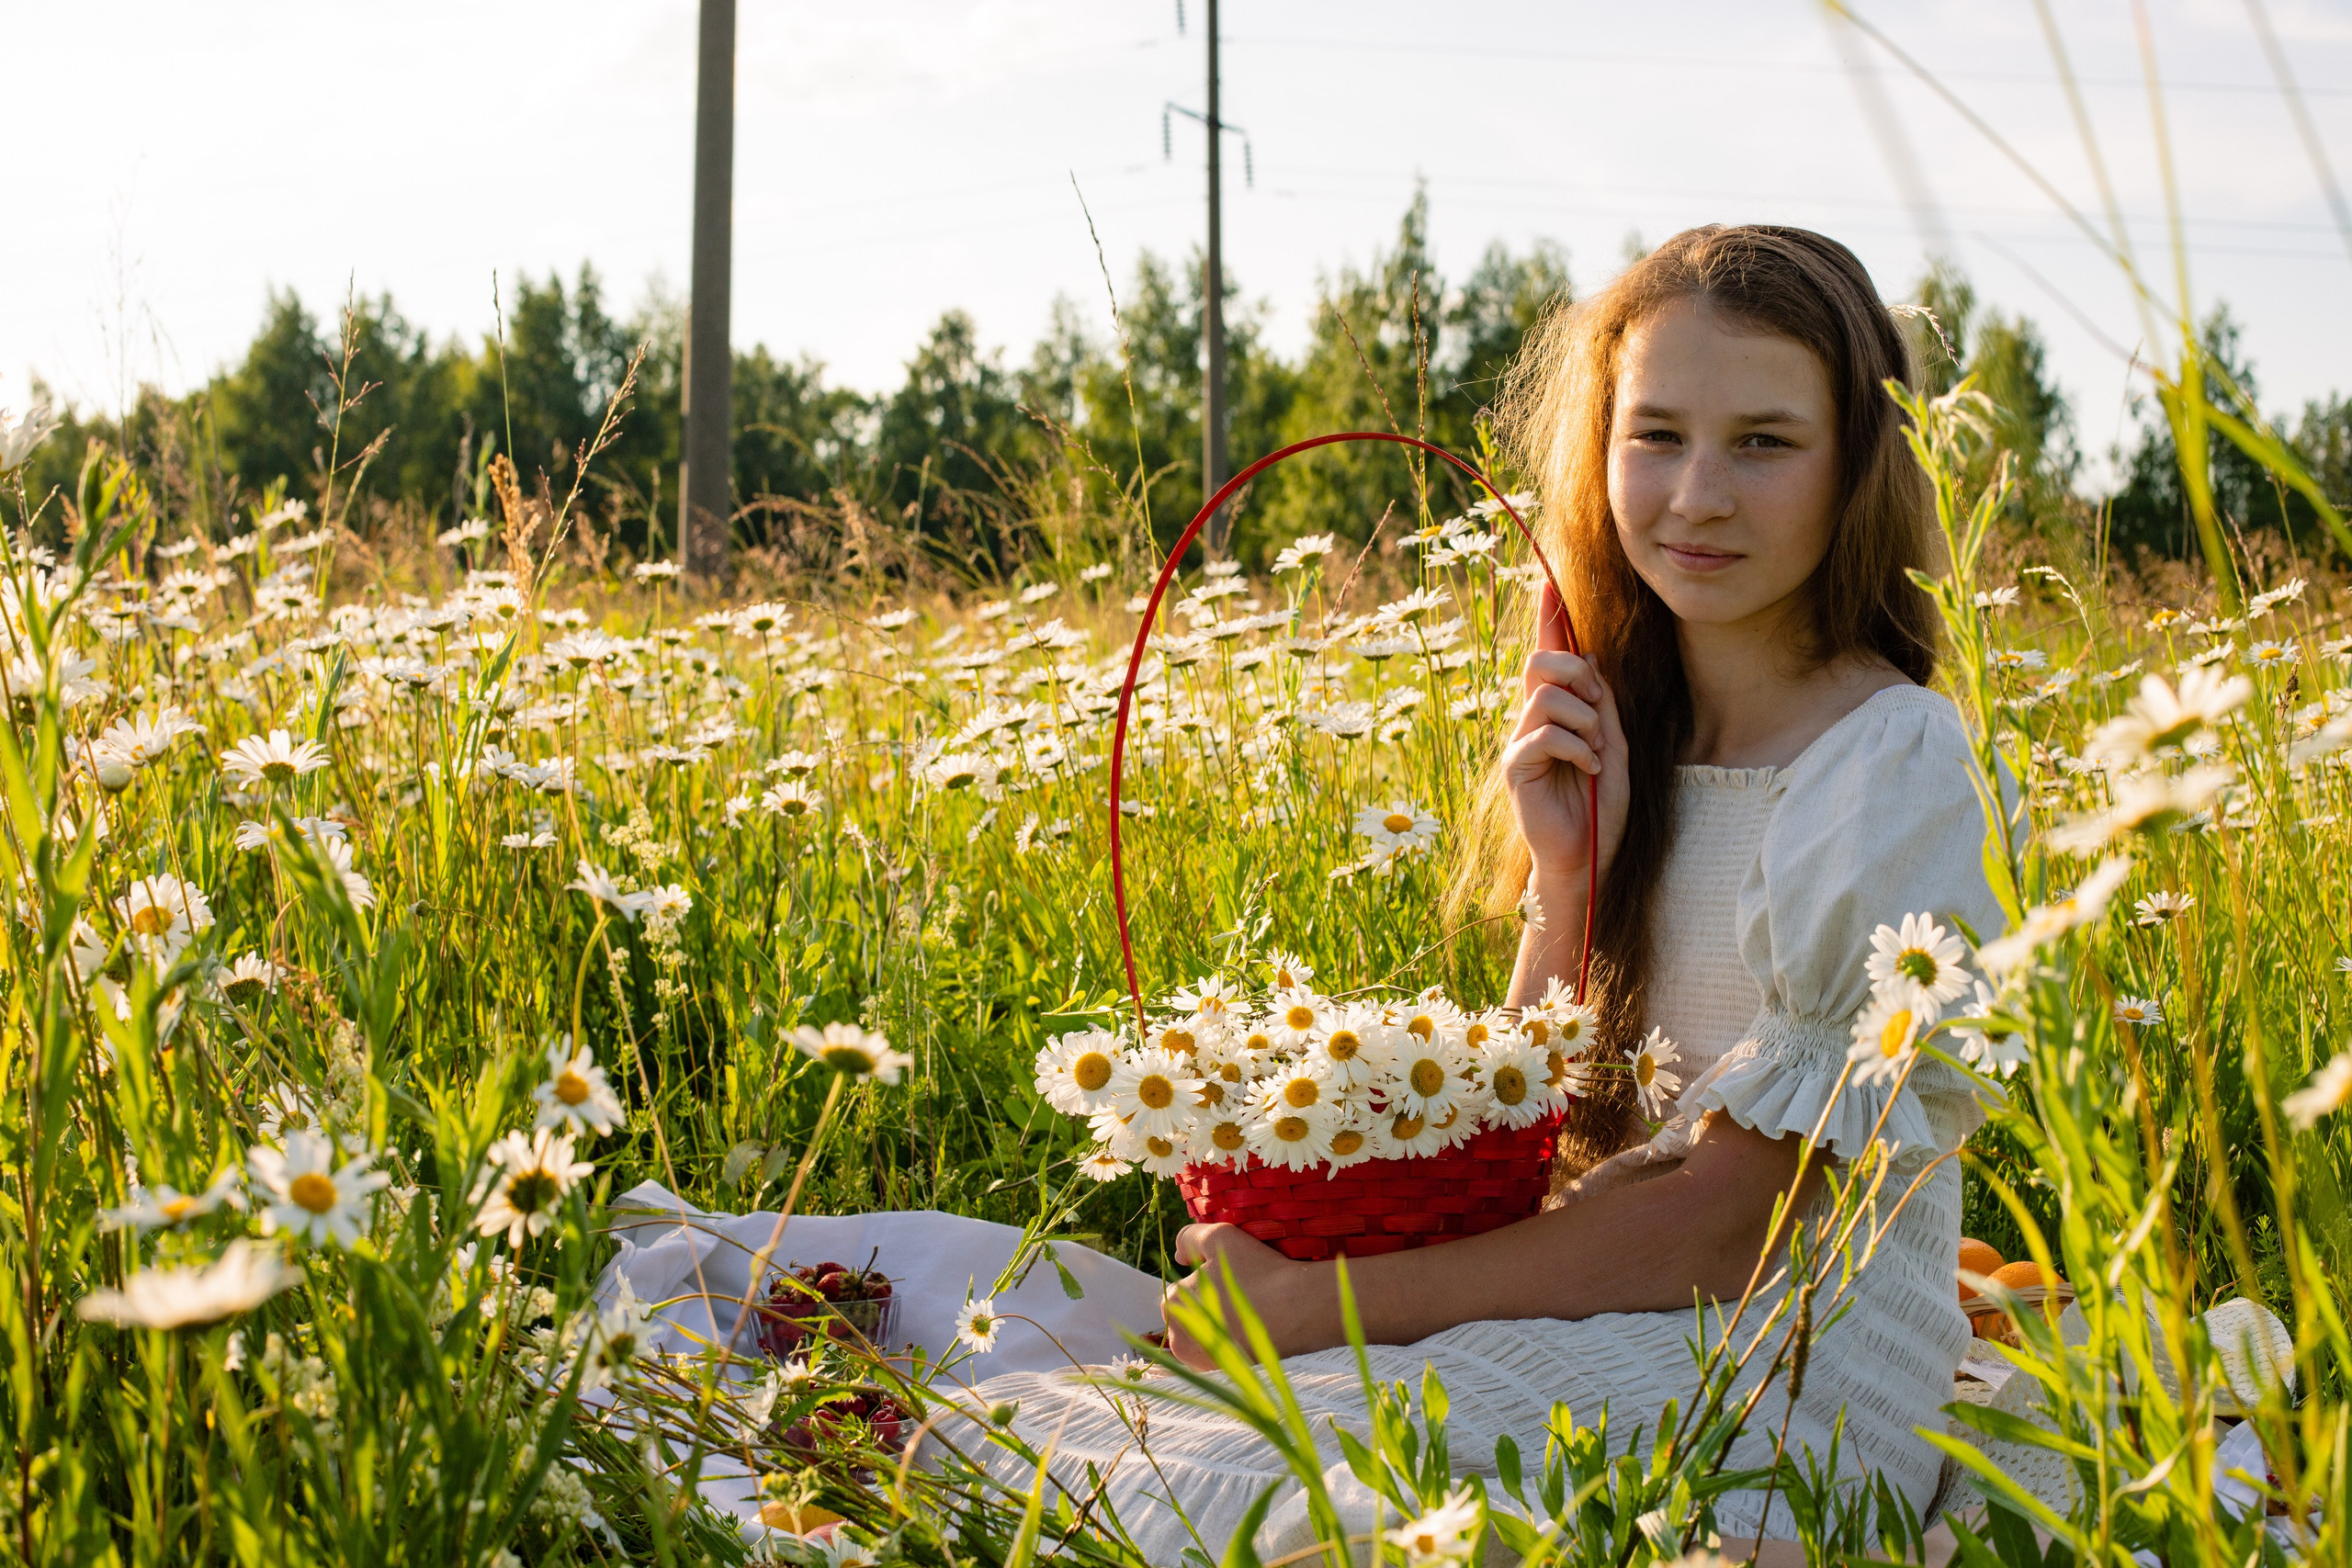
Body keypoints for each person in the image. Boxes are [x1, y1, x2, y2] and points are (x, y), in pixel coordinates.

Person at [933, 224, 2007, 1556]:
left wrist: (1320, 1303)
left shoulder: (1888, 762)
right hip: (1615, 1313)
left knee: (1286, 1488)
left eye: (1766, 442)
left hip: (1788, 1382)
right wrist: (1566, 892)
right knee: (1064, 1433)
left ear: (1857, 465)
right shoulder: (1636, 743)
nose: (1697, 495)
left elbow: (1737, 1225)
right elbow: (1538, 1151)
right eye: (1656, 434)